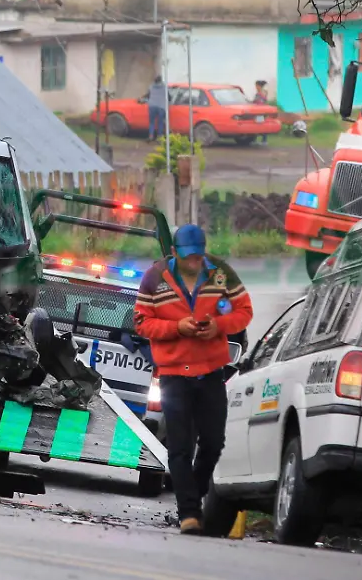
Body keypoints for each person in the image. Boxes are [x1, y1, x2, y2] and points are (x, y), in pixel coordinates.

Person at [133, 224, 253, 535]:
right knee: (180, 446)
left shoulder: (221, 273)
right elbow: (142, 322)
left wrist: (219, 326)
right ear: (174, 254)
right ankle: (188, 513)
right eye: (186, 258)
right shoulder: (154, 278)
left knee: (213, 442)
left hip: (211, 371)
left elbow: (244, 311)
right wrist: (178, 327)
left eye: (197, 257)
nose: (192, 263)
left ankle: (194, 495)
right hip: (173, 375)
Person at [147, 76, 169, 143]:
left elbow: (148, 95)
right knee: (160, 123)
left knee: (151, 122)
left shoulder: (151, 86)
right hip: (161, 106)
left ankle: (151, 136)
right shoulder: (164, 87)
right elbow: (168, 96)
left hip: (152, 106)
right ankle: (159, 138)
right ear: (161, 80)